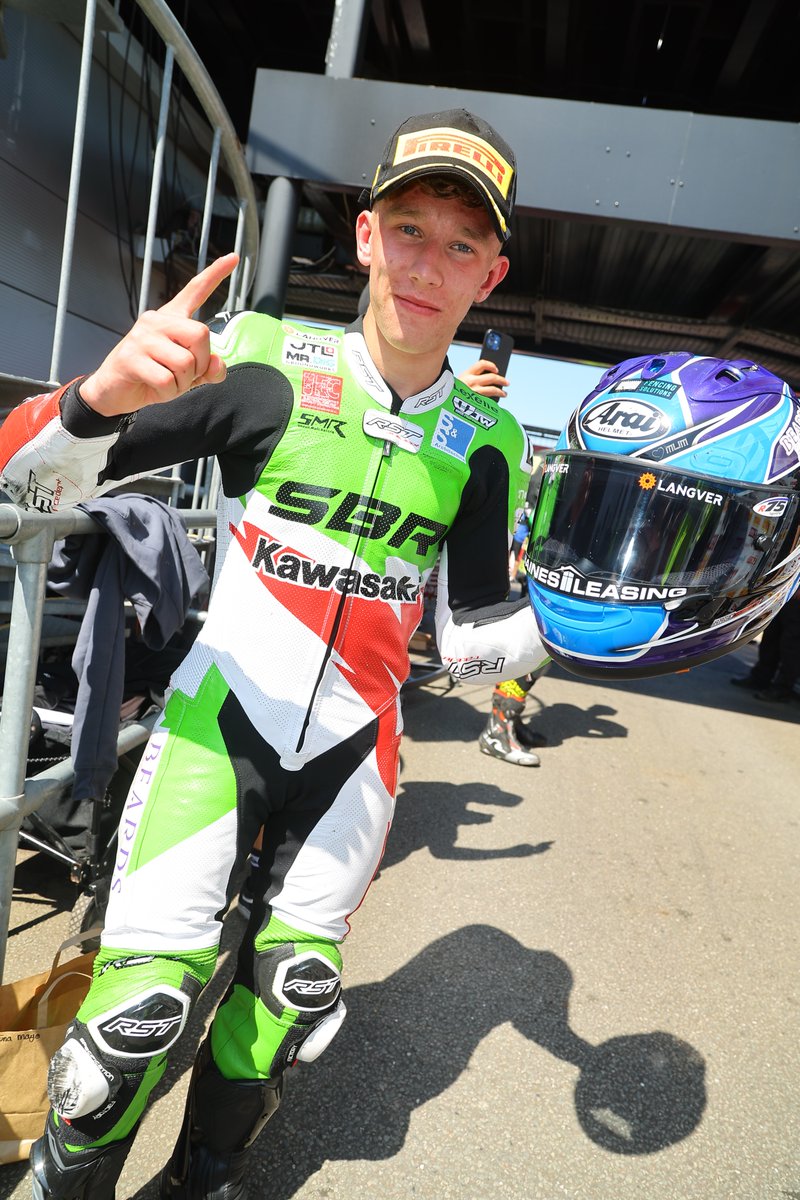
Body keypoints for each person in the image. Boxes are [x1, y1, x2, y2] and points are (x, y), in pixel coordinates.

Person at [0, 108, 551, 1199]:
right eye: (407, 227)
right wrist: (98, 400)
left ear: (490, 274)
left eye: (458, 244)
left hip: (357, 752)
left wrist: (570, 630)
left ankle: (205, 1176)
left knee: (290, 1002)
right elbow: (20, 489)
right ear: (361, 237)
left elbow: (478, 641)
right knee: (125, 1033)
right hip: (217, 730)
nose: (426, 264)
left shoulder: (490, 443)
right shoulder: (260, 358)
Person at [457, 358, 548, 767]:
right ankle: (498, 729)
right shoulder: (540, 467)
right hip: (538, 567)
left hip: (542, 564)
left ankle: (512, 719)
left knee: (539, 656)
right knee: (529, 652)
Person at [730, 588, 800, 702]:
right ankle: (761, 678)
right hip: (787, 590)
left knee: (791, 646)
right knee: (771, 636)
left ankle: (782, 688)